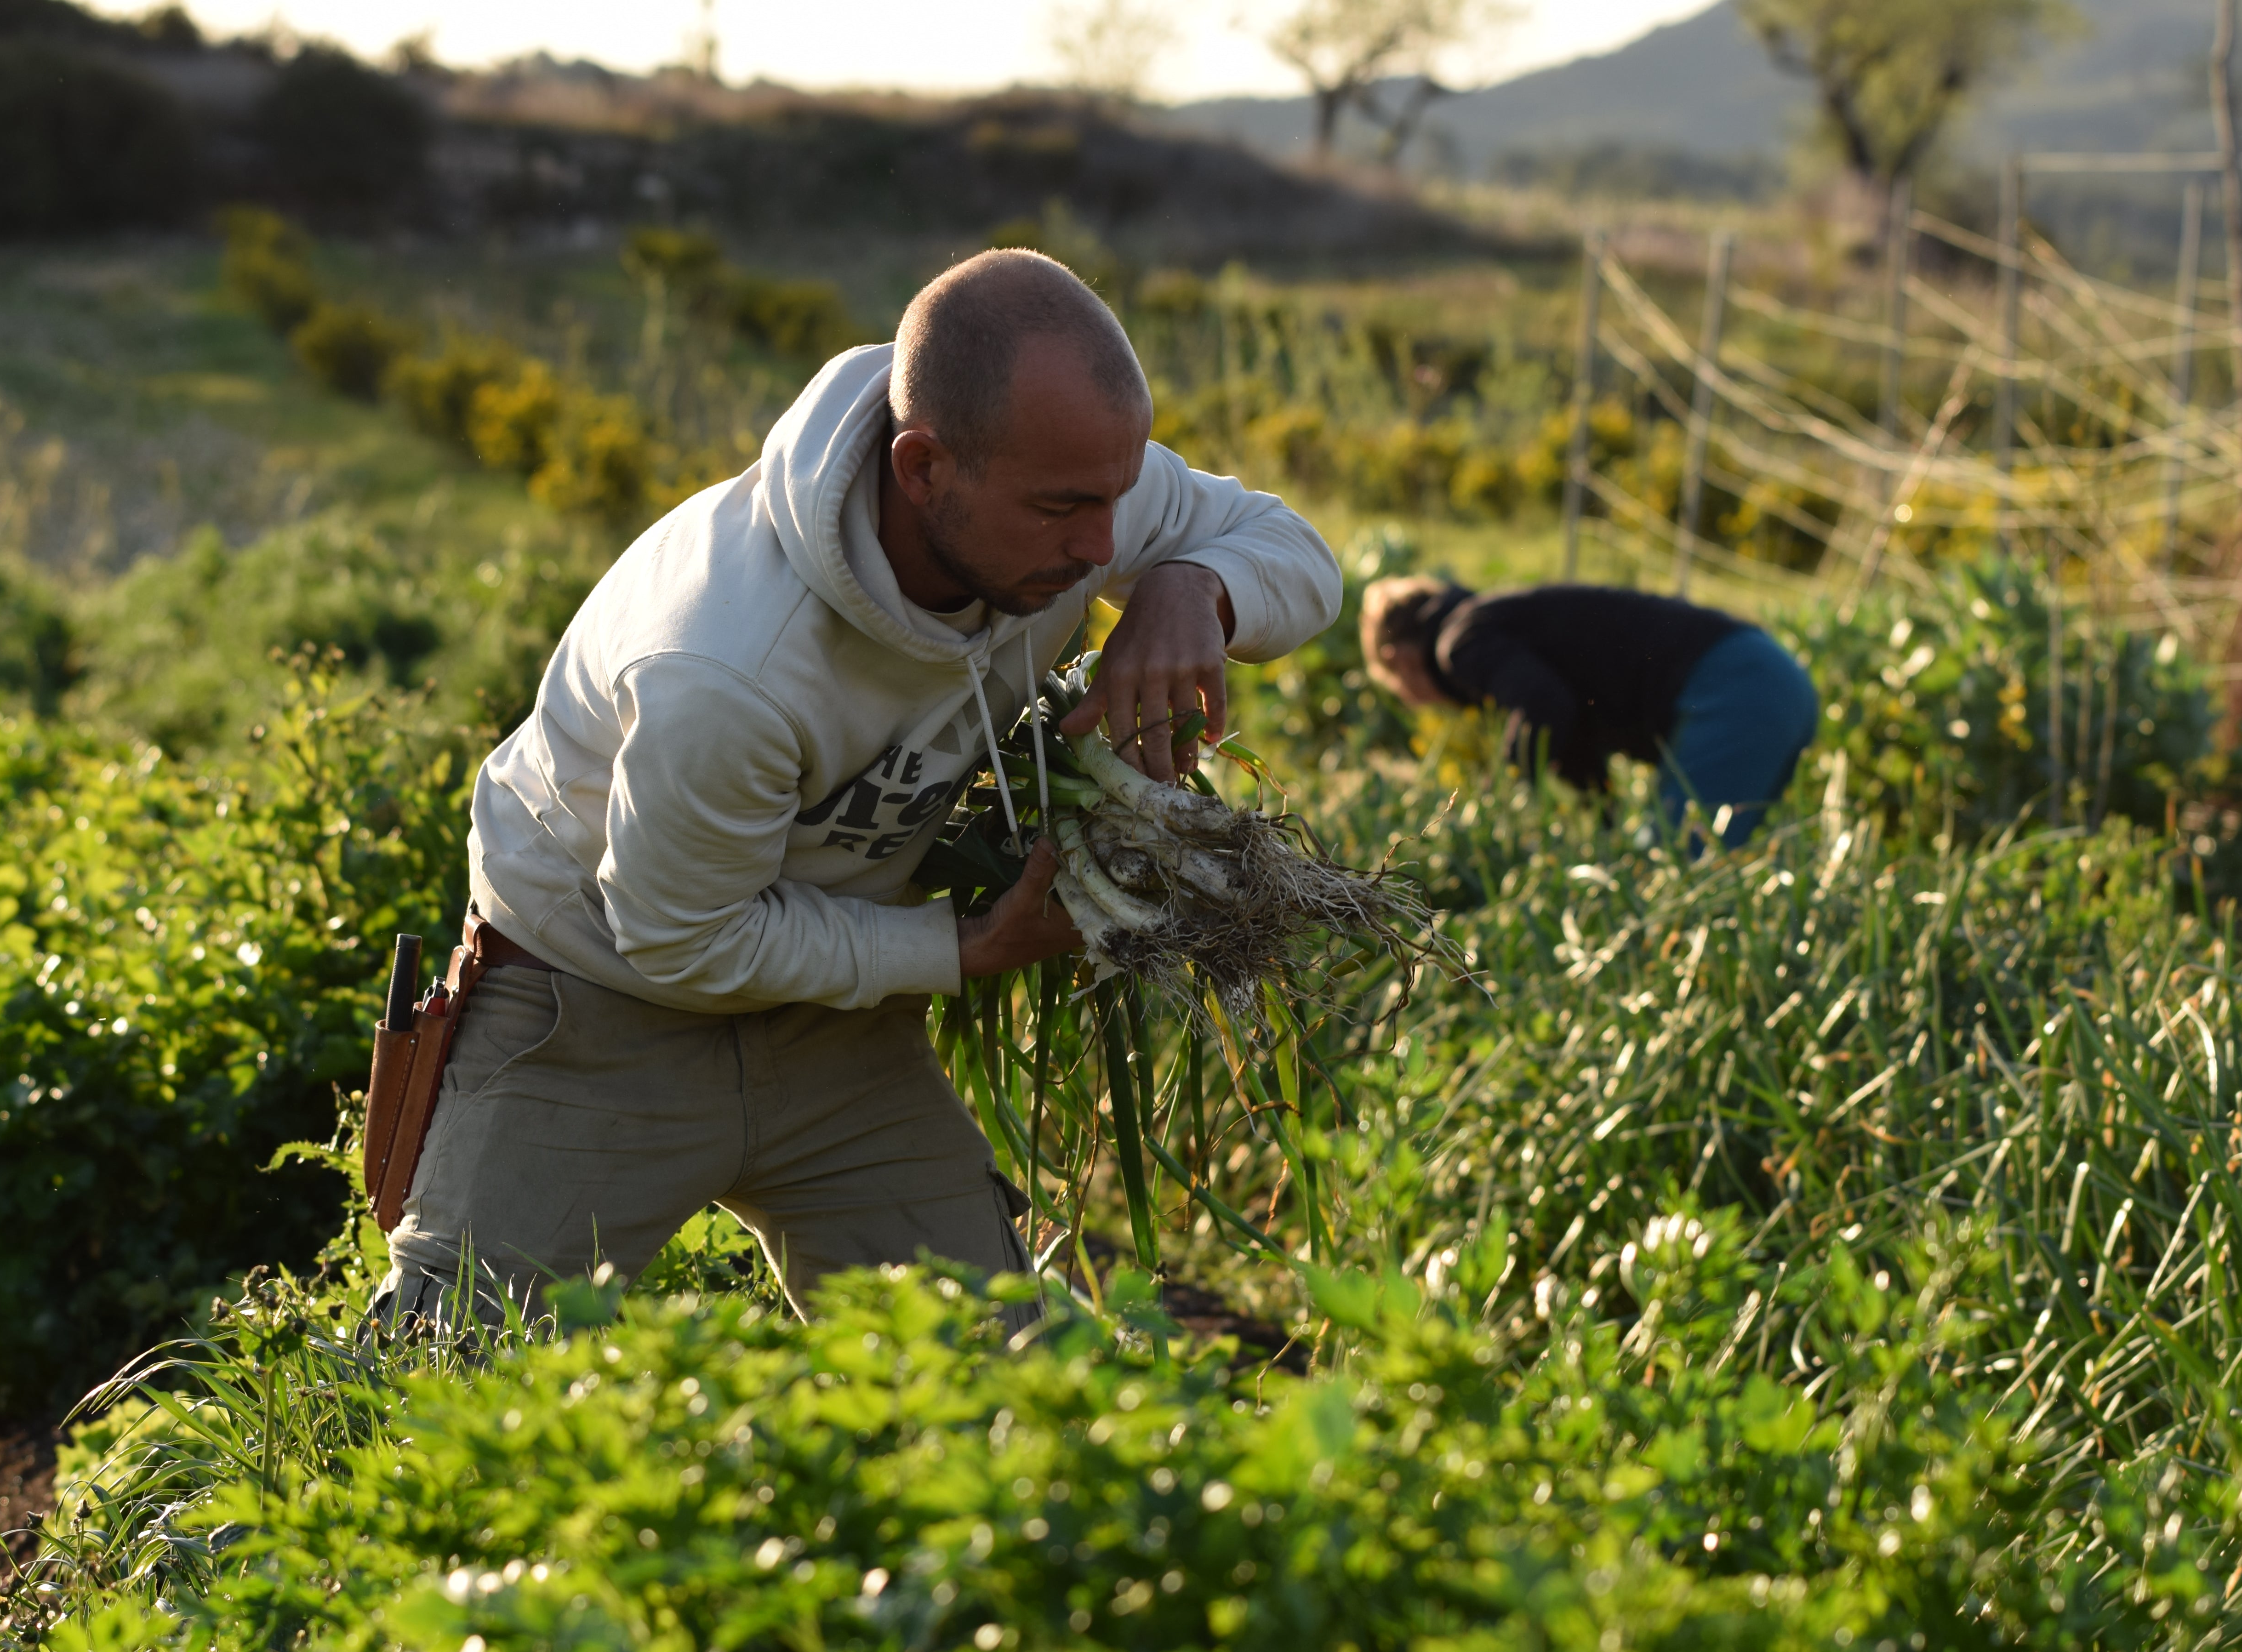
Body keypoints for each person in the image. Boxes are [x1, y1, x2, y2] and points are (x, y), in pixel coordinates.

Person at [376, 249, 1341, 1328]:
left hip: (833, 1029)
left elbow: (1295, 550)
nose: (1101, 545)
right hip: (594, 1011)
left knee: (999, 1368)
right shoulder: (725, 663)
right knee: (438, 1373)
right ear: (922, 468)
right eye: (1063, 508)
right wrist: (960, 949)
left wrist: (1194, 587)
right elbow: (679, 938)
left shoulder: (1056, 487)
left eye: (1117, 500)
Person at [1359, 576, 1818, 848]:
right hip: (1768, 675)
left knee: (1671, 873)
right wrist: (1603, 823)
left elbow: (1543, 707)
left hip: (1733, 686)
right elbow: (1569, 721)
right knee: (1706, 866)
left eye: (1398, 691)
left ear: (1399, 660)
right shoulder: (1495, 620)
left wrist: (1510, 786)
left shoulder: (1461, 641)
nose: (1416, 704)